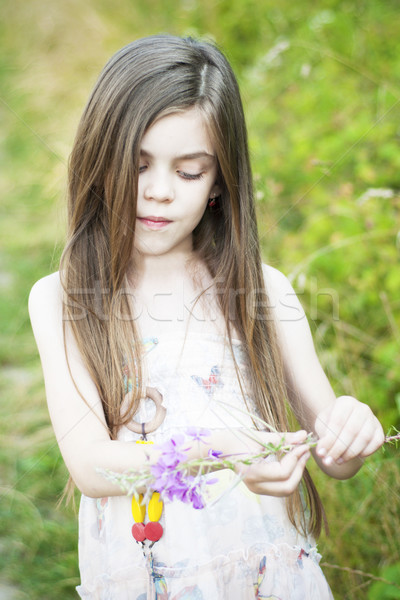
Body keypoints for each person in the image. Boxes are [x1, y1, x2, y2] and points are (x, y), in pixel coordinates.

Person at [28, 34, 384, 599]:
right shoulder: (64, 297)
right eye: (137, 165)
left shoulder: (265, 290)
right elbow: (93, 466)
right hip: (148, 580)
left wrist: (351, 428)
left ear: (220, 181)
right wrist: (220, 447)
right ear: (98, 160)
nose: (159, 192)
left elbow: (333, 454)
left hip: (269, 579)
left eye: (190, 172)